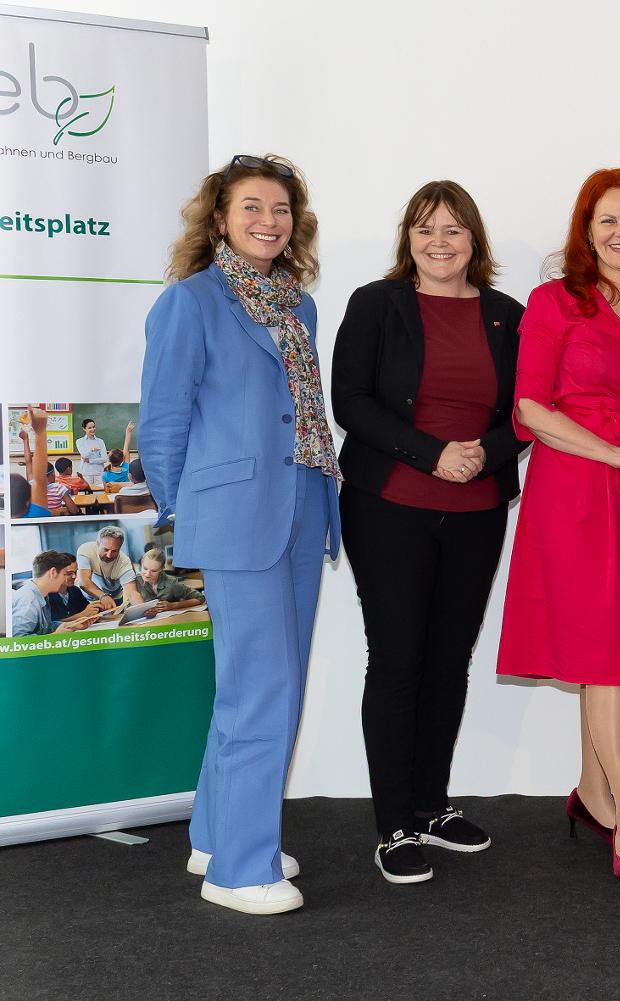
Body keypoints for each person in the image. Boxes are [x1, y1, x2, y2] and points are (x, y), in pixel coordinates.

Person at [139, 153, 341, 916]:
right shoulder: (190, 302)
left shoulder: (298, 306)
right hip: (235, 517)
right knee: (265, 688)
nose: (268, 220)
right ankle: (241, 869)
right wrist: (189, 510)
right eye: (251, 206)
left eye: (280, 208)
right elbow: (162, 422)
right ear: (220, 218)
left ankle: (218, 835)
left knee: (258, 685)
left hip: (303, 505)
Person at [332, 179, 525, 884]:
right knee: (397, 661)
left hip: (477, 511)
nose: (439, 242)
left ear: (474, 240)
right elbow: (350, 400)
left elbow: (527, 410)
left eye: (452, 229)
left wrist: (483, 454)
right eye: (424, 229)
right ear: (407, 241)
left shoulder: (508, 315)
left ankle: (430, 805)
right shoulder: (375, 304)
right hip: (389, 507)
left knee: (449, 661)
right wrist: (432, 453)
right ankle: (393, 825)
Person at [497, 168, 620, 886]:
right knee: (609, 657)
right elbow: (530, 408)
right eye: (607, 220)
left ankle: (592, 790)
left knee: (614, 645)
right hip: (575, 490)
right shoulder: (553, 302)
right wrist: (612, 452)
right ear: (586, 230)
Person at [10, 551, 101, 636]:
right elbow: (18, 641)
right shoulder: (27, 599)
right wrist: (55, 636)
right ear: (53, 572)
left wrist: (71, 624)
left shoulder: (42, 595)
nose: (65, 579)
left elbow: (45, 628)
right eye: (65, 574)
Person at [76, 526, 144, 610]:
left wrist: (143, 609)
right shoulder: (86, 550)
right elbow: (84, 582)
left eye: (115, 551)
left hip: (114, 597)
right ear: (98, 543)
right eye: (106, 549)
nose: (109, 555)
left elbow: (132, 593)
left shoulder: (124, 562)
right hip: (87, 597)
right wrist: (103, 596)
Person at [135, 548, 206, 610]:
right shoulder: (135, 581)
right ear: (141, 563)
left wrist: (172, 605)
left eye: (154, 571)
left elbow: (200, 598)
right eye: (145, 568)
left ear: (161, 569)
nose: (147, 574)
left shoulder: (171, 583)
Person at [76, 418, 109, 483]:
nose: (92, 429)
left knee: (100, 489)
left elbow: (104, 459)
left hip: (99, 473)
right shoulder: (80, 441)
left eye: (94, 427)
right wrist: (91, 450)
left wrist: (90, 460)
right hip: (86, 473)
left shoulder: (100, 441)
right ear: (84, 429)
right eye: (89, 428)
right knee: (87, 489)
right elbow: (84, 456)